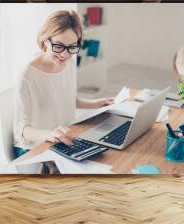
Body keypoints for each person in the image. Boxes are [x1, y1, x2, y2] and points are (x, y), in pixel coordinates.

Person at [13, 10, 113, 157]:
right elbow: (21, 130)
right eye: (59, 46)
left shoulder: (70, 64)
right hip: (34, 146)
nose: (65, 55)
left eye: (72, 47)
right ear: (45, 40)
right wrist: (50, 134)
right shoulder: (27, 75)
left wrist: (96, 103)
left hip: (63, 141)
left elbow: (67, 99)